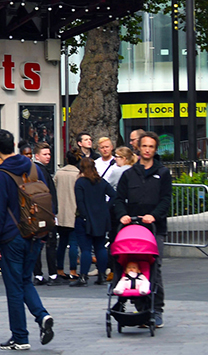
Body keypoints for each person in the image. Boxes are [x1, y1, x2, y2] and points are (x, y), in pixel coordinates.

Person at [0, 129, 55, 350]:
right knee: (25, 279)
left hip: (12, 235)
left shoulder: (2, 175)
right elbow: (46, 199)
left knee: (14, 287)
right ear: (15, 144)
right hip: (35, 232)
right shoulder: (35, 168)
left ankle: (20, 336)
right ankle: (41, 315)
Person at [111, 130, 172, 328]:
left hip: (154, 227)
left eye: (151, 147)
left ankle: (157, 308)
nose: (147, 150)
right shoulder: (129, 174)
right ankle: (139, 306)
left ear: (155, 149)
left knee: (155, 266)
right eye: (144, 146)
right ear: (138, 147)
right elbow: (119, 199)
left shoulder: (162, 173)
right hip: (132, 227)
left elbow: (165, 200)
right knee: (131, 264)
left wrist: (154, 215)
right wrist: (122, 215)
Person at [73, 157, 116, 286]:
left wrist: (84, 215)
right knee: (100, 247)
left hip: (85, 218)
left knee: (85, 249)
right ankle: (102, 275)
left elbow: (80, 202)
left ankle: (83, 277)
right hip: (101, 218)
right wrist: (105, 208)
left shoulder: (80, 182)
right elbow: (114, 195)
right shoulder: (101, 181)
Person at [31, 143, 60, 285]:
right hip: (45, 213)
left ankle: (38, 275)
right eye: (45, 154)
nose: (48, 157)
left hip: (38, 213)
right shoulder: (41, 171)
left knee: (38, 244)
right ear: (37, 156)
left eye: (49, 154)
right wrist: (53, 213)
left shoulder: (35, 170)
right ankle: (52, 274)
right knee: (49, 244)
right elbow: (47, 194)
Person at [53, 149, 81, 282]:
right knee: (74, 243)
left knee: (62, 243)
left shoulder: (59, 173)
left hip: (60, 213)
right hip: (74, 213)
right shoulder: (78, 175)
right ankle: (73, 270)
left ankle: (59, 269)